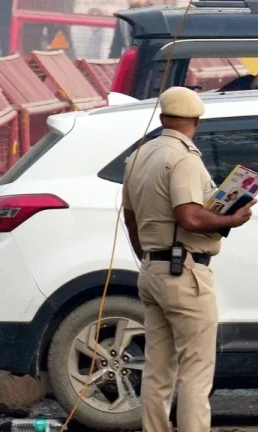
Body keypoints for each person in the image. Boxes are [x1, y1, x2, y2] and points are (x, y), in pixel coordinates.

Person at [122, 86, 255, 431]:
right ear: (196, 120)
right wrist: (232, 219)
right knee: (196, 372)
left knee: (157, 370)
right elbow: (190, 217)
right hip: (185, 273)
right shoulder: (183, 159)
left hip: (153, 270)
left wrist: (149, 257)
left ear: (163, 117)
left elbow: (131, 218)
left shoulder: (138, 156)